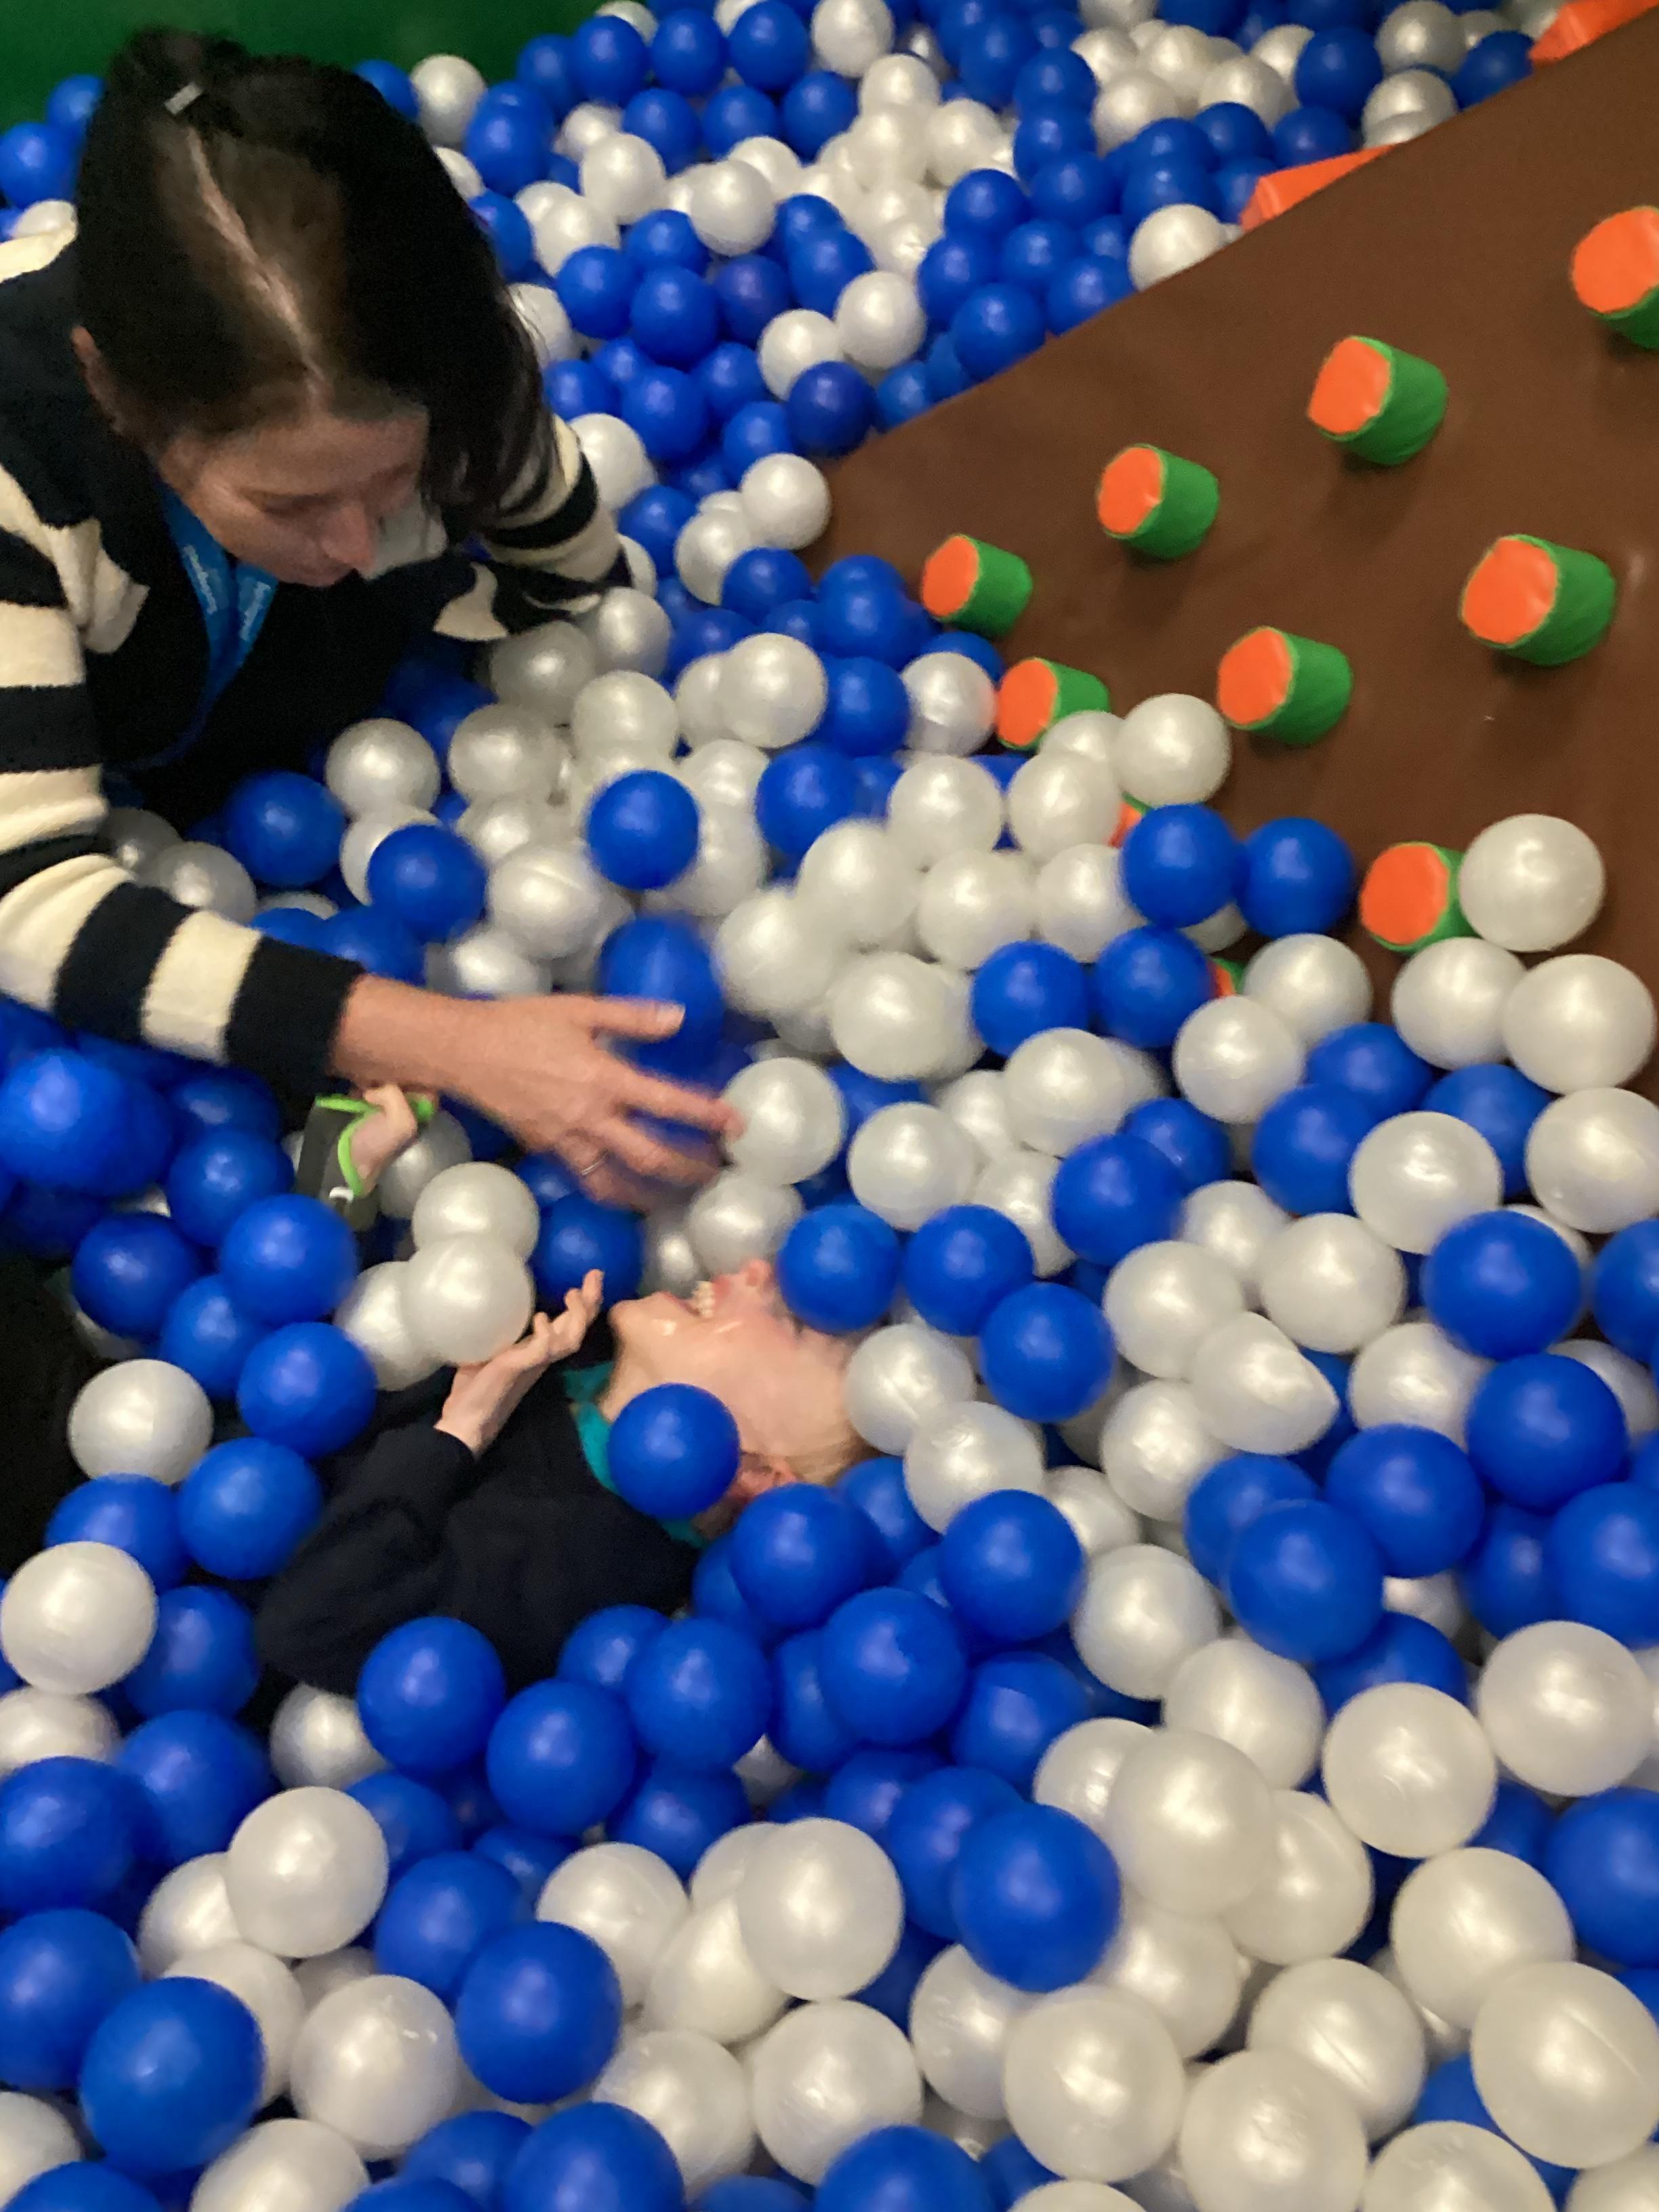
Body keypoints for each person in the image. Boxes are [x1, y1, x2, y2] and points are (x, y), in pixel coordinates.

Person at [0, 27, 733, 1202]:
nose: (353, 544)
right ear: (117, 396)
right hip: (111, 762)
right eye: (289, 502)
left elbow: (568, 567)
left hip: (317, 758)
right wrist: (455, 1043)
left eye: (388, 483)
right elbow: (32, 900)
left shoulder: (440, 363)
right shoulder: (22, 471)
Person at [256, 1258, 864, 1694]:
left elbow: (307, 1628)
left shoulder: (579, 1571)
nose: (758, 1269)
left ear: (758, 1475)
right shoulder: (570, 1337)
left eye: (791, 1322)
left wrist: (460, 1431)